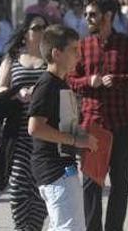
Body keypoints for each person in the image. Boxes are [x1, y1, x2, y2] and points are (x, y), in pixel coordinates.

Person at [67, 0, 128, 231]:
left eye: (92, 14)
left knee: (120, 185)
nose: (87, 19)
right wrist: (88, 82)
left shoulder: (127, 44)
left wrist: (119, 80)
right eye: (86, 15)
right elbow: (70, 79)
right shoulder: (82, 46)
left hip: (122, 124)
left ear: (108, 16)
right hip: (93, 125)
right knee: (92, 184)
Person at [28, 25, 98, 231]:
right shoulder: (47, 85)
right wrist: (77, 141)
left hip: (63, 167)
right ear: (57, 54)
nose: (79, 55)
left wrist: (84, 137)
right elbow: (35, 128)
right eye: (74, 50)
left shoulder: (61, 83)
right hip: (54, 170)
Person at [0, 13, 50, 231]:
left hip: (44, 134)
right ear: (25, 32)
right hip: (17, 133)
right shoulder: (12, 58)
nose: (42, 31)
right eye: (36, 27)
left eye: (44, 27)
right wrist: (17, 93)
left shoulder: (51, 59)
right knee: (17, 190)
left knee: (39, 192)